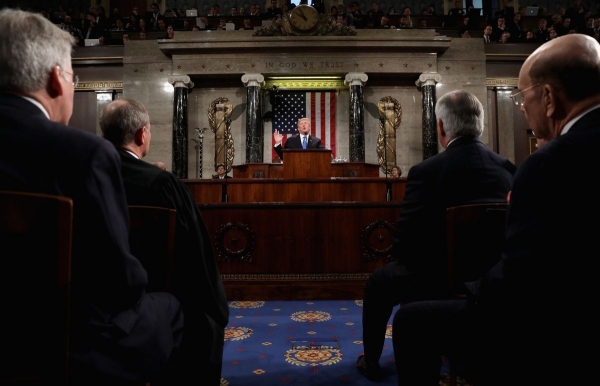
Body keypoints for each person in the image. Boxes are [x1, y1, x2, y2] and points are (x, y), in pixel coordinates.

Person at [392, 33, 600, 386]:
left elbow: (519, 282)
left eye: (523, 97)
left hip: (561, 330)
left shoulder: (549, 163)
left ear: (548, 98)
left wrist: (472, 289)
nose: (522, 108)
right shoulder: (510, 165)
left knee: (412, 321)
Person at [0, 9, 183, 385]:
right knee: (171, 308)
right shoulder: (82, 153)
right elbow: (118, 281)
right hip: (62, 342)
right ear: (56, 79)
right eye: (73, 76)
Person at [356, 90, 516, 382]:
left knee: (378, 283)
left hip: (433, 275)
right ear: (479, 123)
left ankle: (372, 361)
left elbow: (404, 241)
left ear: (440, 127)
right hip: (488, 279)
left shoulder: (426, 171)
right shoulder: (508, 169)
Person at [99, 98, 229, 386]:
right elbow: (196, 254)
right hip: (158, 299)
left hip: (91, 301)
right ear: (142, 134)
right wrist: (217, 307)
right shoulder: (161, 183)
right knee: (206, 320)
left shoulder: (85, 175)